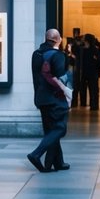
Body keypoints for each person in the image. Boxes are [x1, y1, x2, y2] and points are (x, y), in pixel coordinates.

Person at [27, 29, 72, 172]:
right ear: (58, 39)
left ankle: (56, 162)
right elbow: (60, 79)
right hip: (55, 98)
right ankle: (36, 154)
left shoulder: (36, 54)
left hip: (41, 98)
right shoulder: (57, 55)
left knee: (51, 130)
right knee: (60, 128)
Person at [80, 33, 100, 111]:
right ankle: (85, 103)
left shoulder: (95, 50)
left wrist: (97, 70)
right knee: (85, 89)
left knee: (93, 90)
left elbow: (99, 61)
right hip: (85, 72)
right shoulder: (82, 49)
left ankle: (94, 105)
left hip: (92, 72)